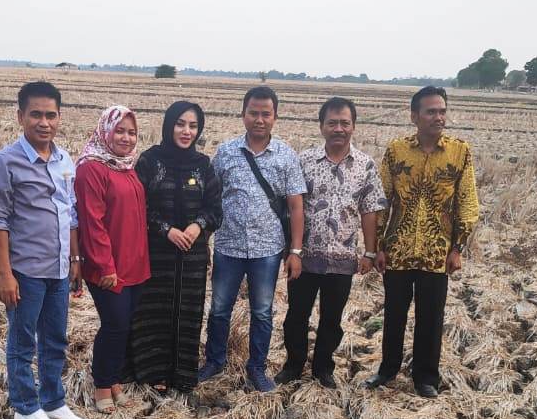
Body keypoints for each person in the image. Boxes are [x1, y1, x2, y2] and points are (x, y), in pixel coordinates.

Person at [365, 86, 480, 398]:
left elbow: (467, 202)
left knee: (431, 317)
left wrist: (457, 248)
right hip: (398, 249)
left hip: (437, 252)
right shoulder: (396, 151)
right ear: (415, 116)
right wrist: (377, 247)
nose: (438, 117)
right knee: (393, 315)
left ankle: (425, 377)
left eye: (442, 111)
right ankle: (387, 370)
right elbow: (381, 200)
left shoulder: (460, 151)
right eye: (431, 111)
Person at [0, 81, 86, 419]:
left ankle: (53, 400)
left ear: (59, 118)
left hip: (58, 268)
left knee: (56, 337)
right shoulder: (4, 162)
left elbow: (70, 213)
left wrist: (75, 260)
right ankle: (25, 406)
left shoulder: (64, 160)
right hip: (25, 270)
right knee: (22, 339)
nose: (44, 122)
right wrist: (4, 273)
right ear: (20, 116)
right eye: (36, 115)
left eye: (51, 115)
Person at [200, 86, 306, 391]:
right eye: (253, 113)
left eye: (266, 114)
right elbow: (212, 198)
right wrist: (206, 241)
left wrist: (295, 251)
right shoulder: (226, 153)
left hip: (267, 250)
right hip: (228, 246)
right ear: (243, 114)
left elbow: (296, 206)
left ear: (275, 117)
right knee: (219, 308)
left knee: (262, 311)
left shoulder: (286, 155)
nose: (259, 119)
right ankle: (214, 361)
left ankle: (257, 368)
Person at [277, 97, 386, 389]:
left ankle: (323, 368)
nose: (339, 128)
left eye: (345, 123)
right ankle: (293, 364)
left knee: (332, 319)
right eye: (333, 123)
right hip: (305, 256)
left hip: (342, 258)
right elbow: (292, 208)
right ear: (322, 126)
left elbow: (369, 210)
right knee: (296, 315)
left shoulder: (365, 165)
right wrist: (292, 251)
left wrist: (370, 251)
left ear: (353, 126)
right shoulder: (304, 161)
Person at [129, 101, 223, 393]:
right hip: (156, 254)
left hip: (192, 258)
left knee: (188, 313)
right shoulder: (149, 161)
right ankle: (152, 372)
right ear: (169, 125)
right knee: (153, 312)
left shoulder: (203, 165)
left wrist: (196, 227)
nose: (186, 131)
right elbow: (139, 206)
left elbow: (215, 209)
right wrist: (167, 231)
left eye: (193, 125)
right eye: (180, 124)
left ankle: (181, 375)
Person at [75, 106, 150, 412]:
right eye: (119, 130)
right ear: (105, 130)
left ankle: (115, 379)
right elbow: (92, 222)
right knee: (115, 324)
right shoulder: (91, 168)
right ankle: (102, 385)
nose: (126, 138)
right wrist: (106, 265)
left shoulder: (126, 166)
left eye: (131, 132)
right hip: (107, 266)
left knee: (125, 324)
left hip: (133, 262)